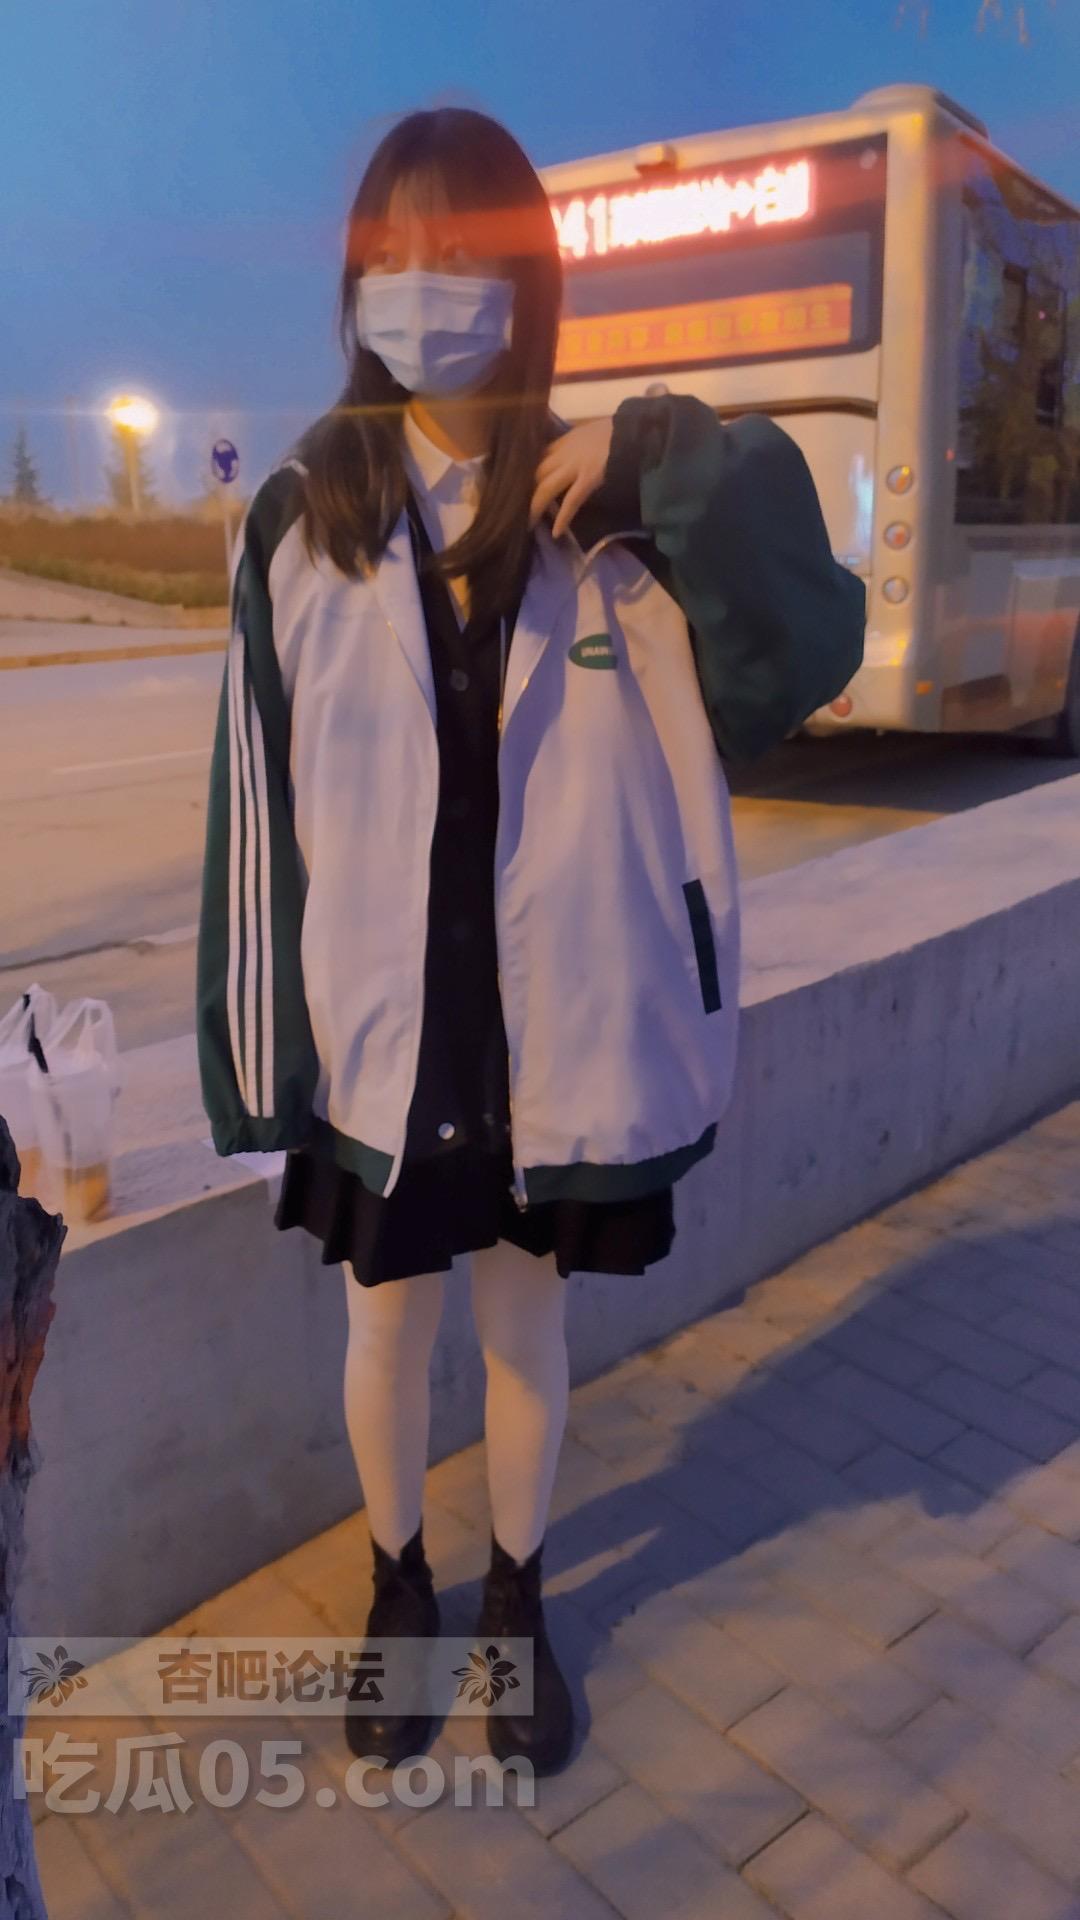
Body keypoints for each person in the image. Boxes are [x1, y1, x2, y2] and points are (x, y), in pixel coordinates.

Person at [195, 105, 864, 1779]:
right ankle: (396, 1583)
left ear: (529, 279)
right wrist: (261, 1059)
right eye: (395, 254)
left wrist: (664, 461)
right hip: (385, 1024)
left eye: (464, 252)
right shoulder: (301, 516)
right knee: (384, 1327)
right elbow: (253, 807)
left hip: (552, 1023)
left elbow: (804, 644)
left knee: (522, 1330)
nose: (427, 285)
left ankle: (518, 1594)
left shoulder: (615, 505)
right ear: (357, 280)